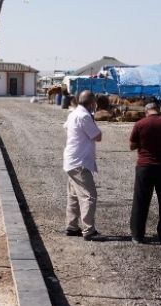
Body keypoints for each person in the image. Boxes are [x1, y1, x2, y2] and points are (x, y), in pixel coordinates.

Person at [129, 103, 161, 244]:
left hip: (144, 167)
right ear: (159, 110)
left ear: (146, 112)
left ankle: (137, 235)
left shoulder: (140, 124)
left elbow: (132, 146)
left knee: (140, 201)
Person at [62, 90, 102, 241]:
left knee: (73, 196)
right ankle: (88, 230)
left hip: (71, 160)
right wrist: (92, 121)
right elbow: (97, 136)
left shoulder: (73, 113)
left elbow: (66, 127)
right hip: (80, 162)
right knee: (89, 196)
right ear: (92, 103)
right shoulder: (85, 116)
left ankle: (72, 226)